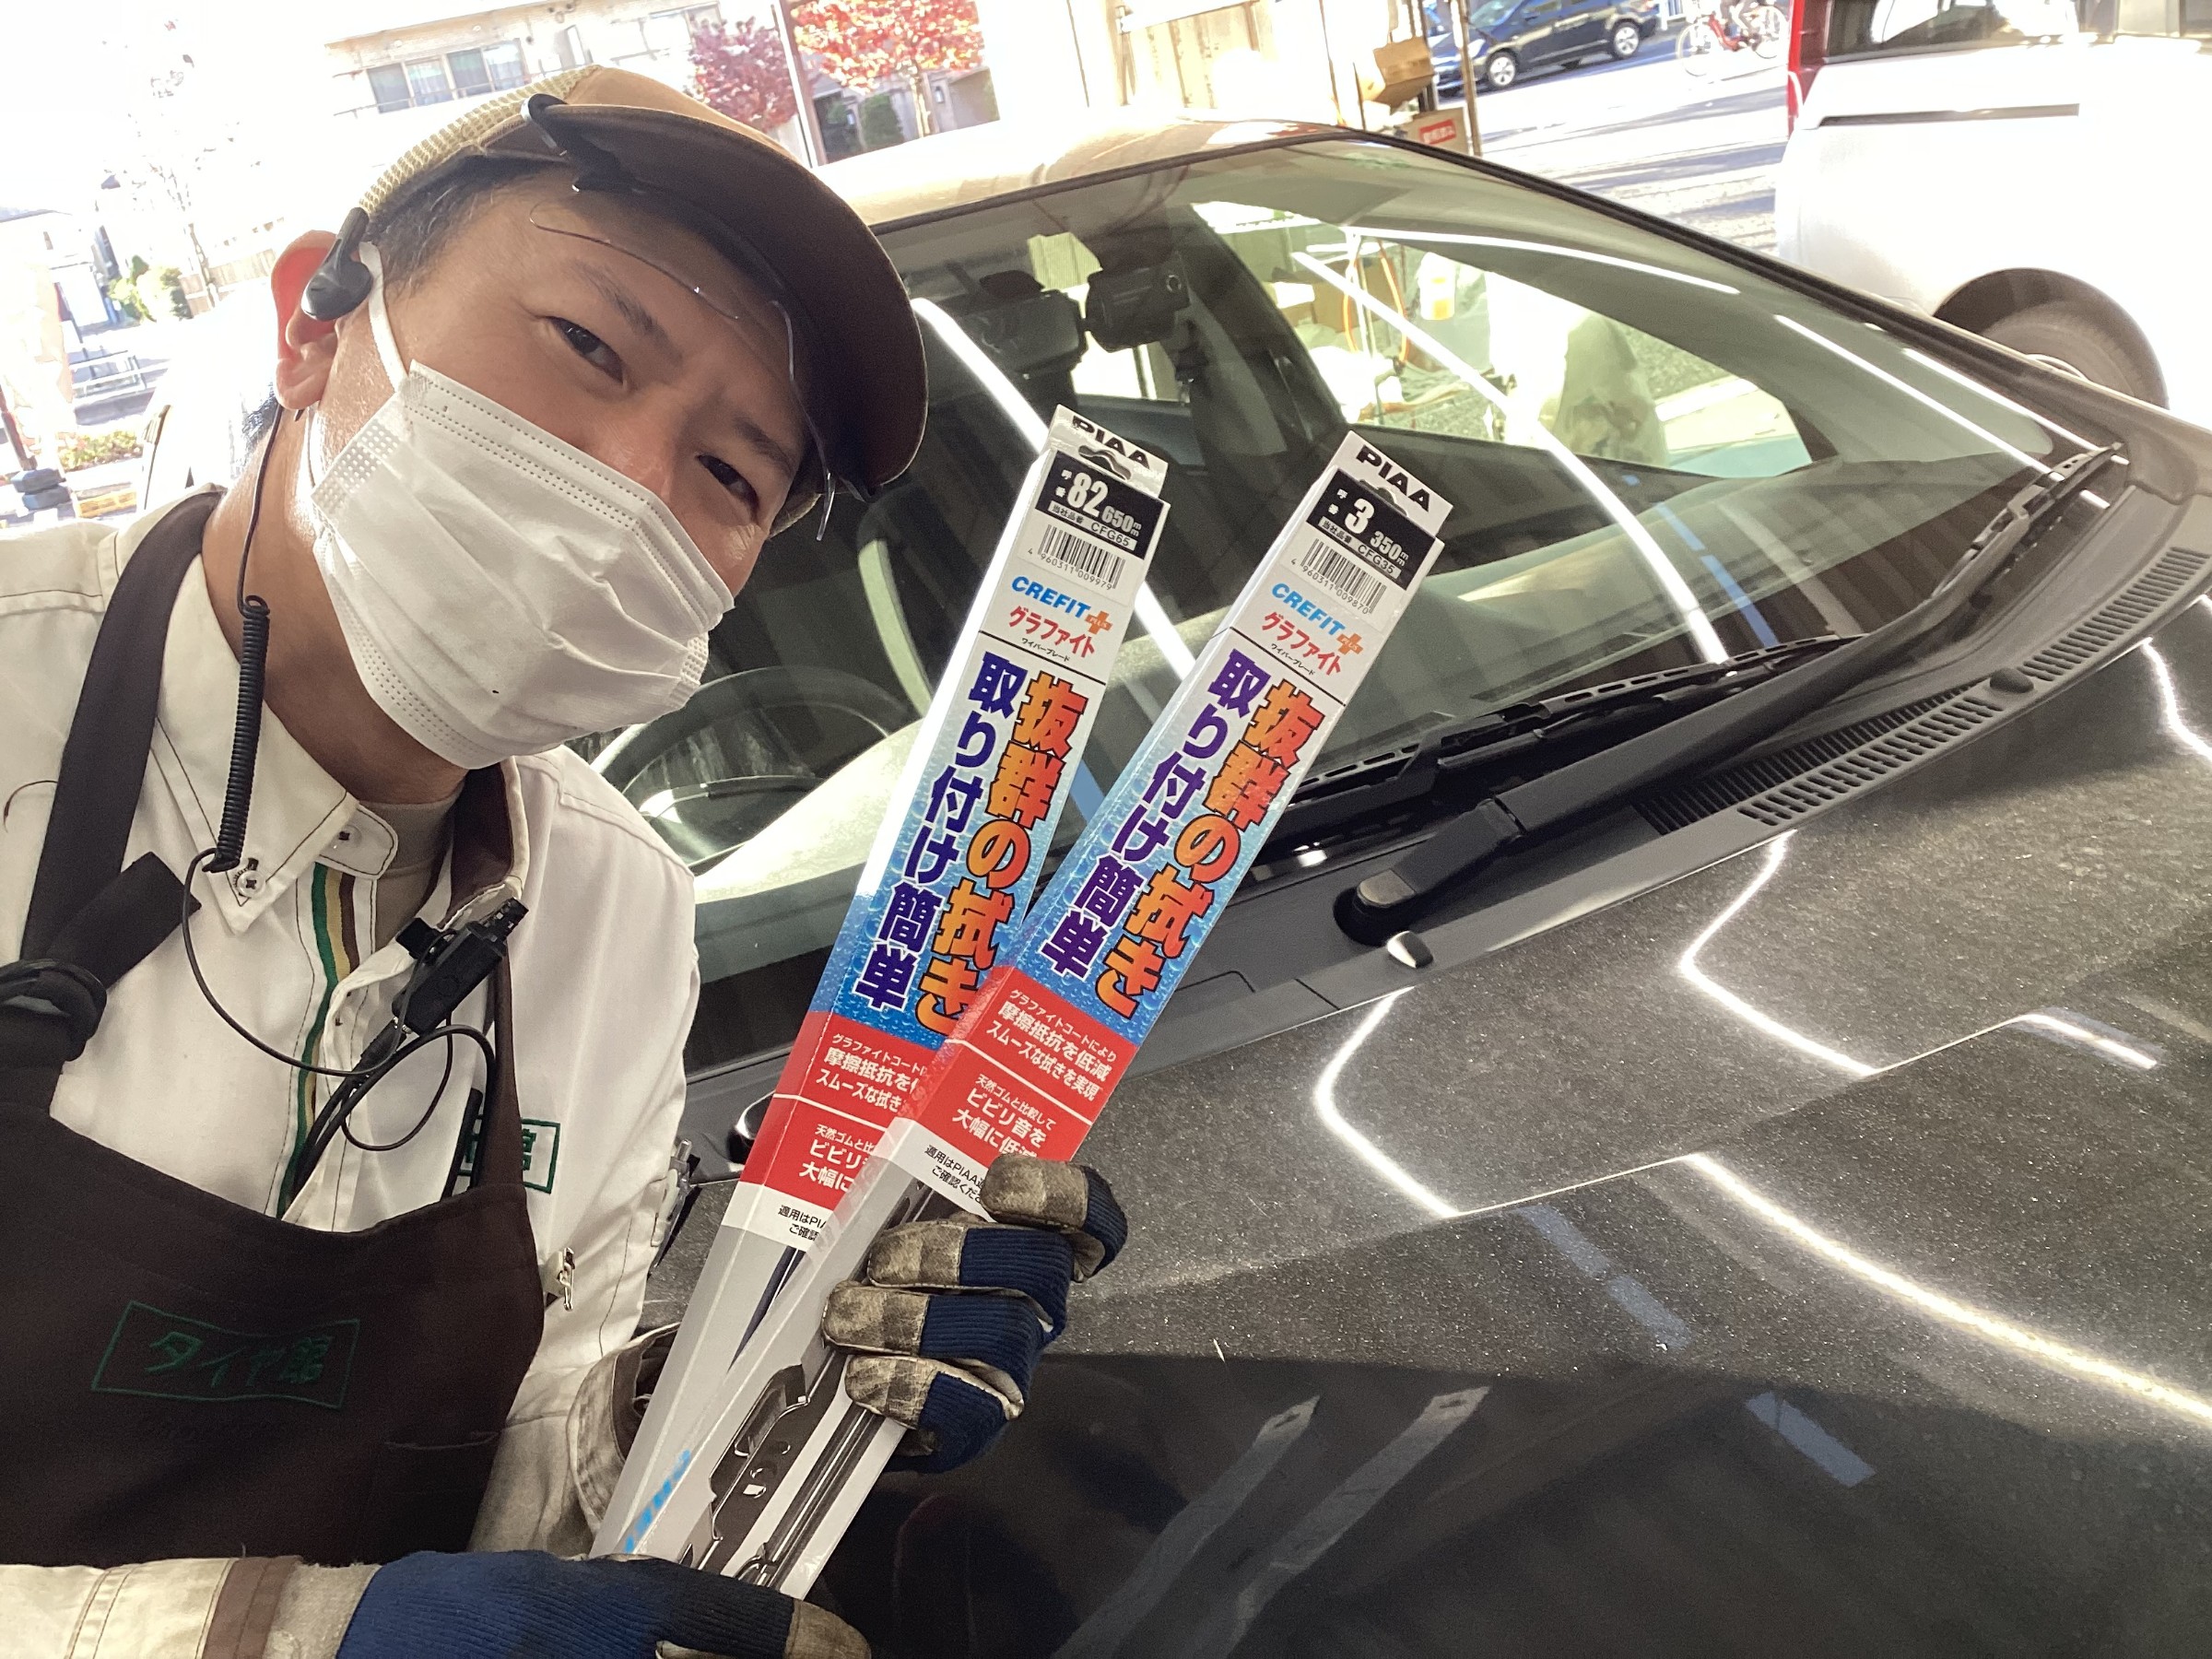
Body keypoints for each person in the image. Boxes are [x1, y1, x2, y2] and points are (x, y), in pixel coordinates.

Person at [0, 68, 1124, 1659]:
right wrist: (299, 1640)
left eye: (730, 475)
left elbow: (528, 1472)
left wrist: (751, 1391)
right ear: (315, 323)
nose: (626, 489)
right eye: (590, 346)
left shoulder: (614, 911)